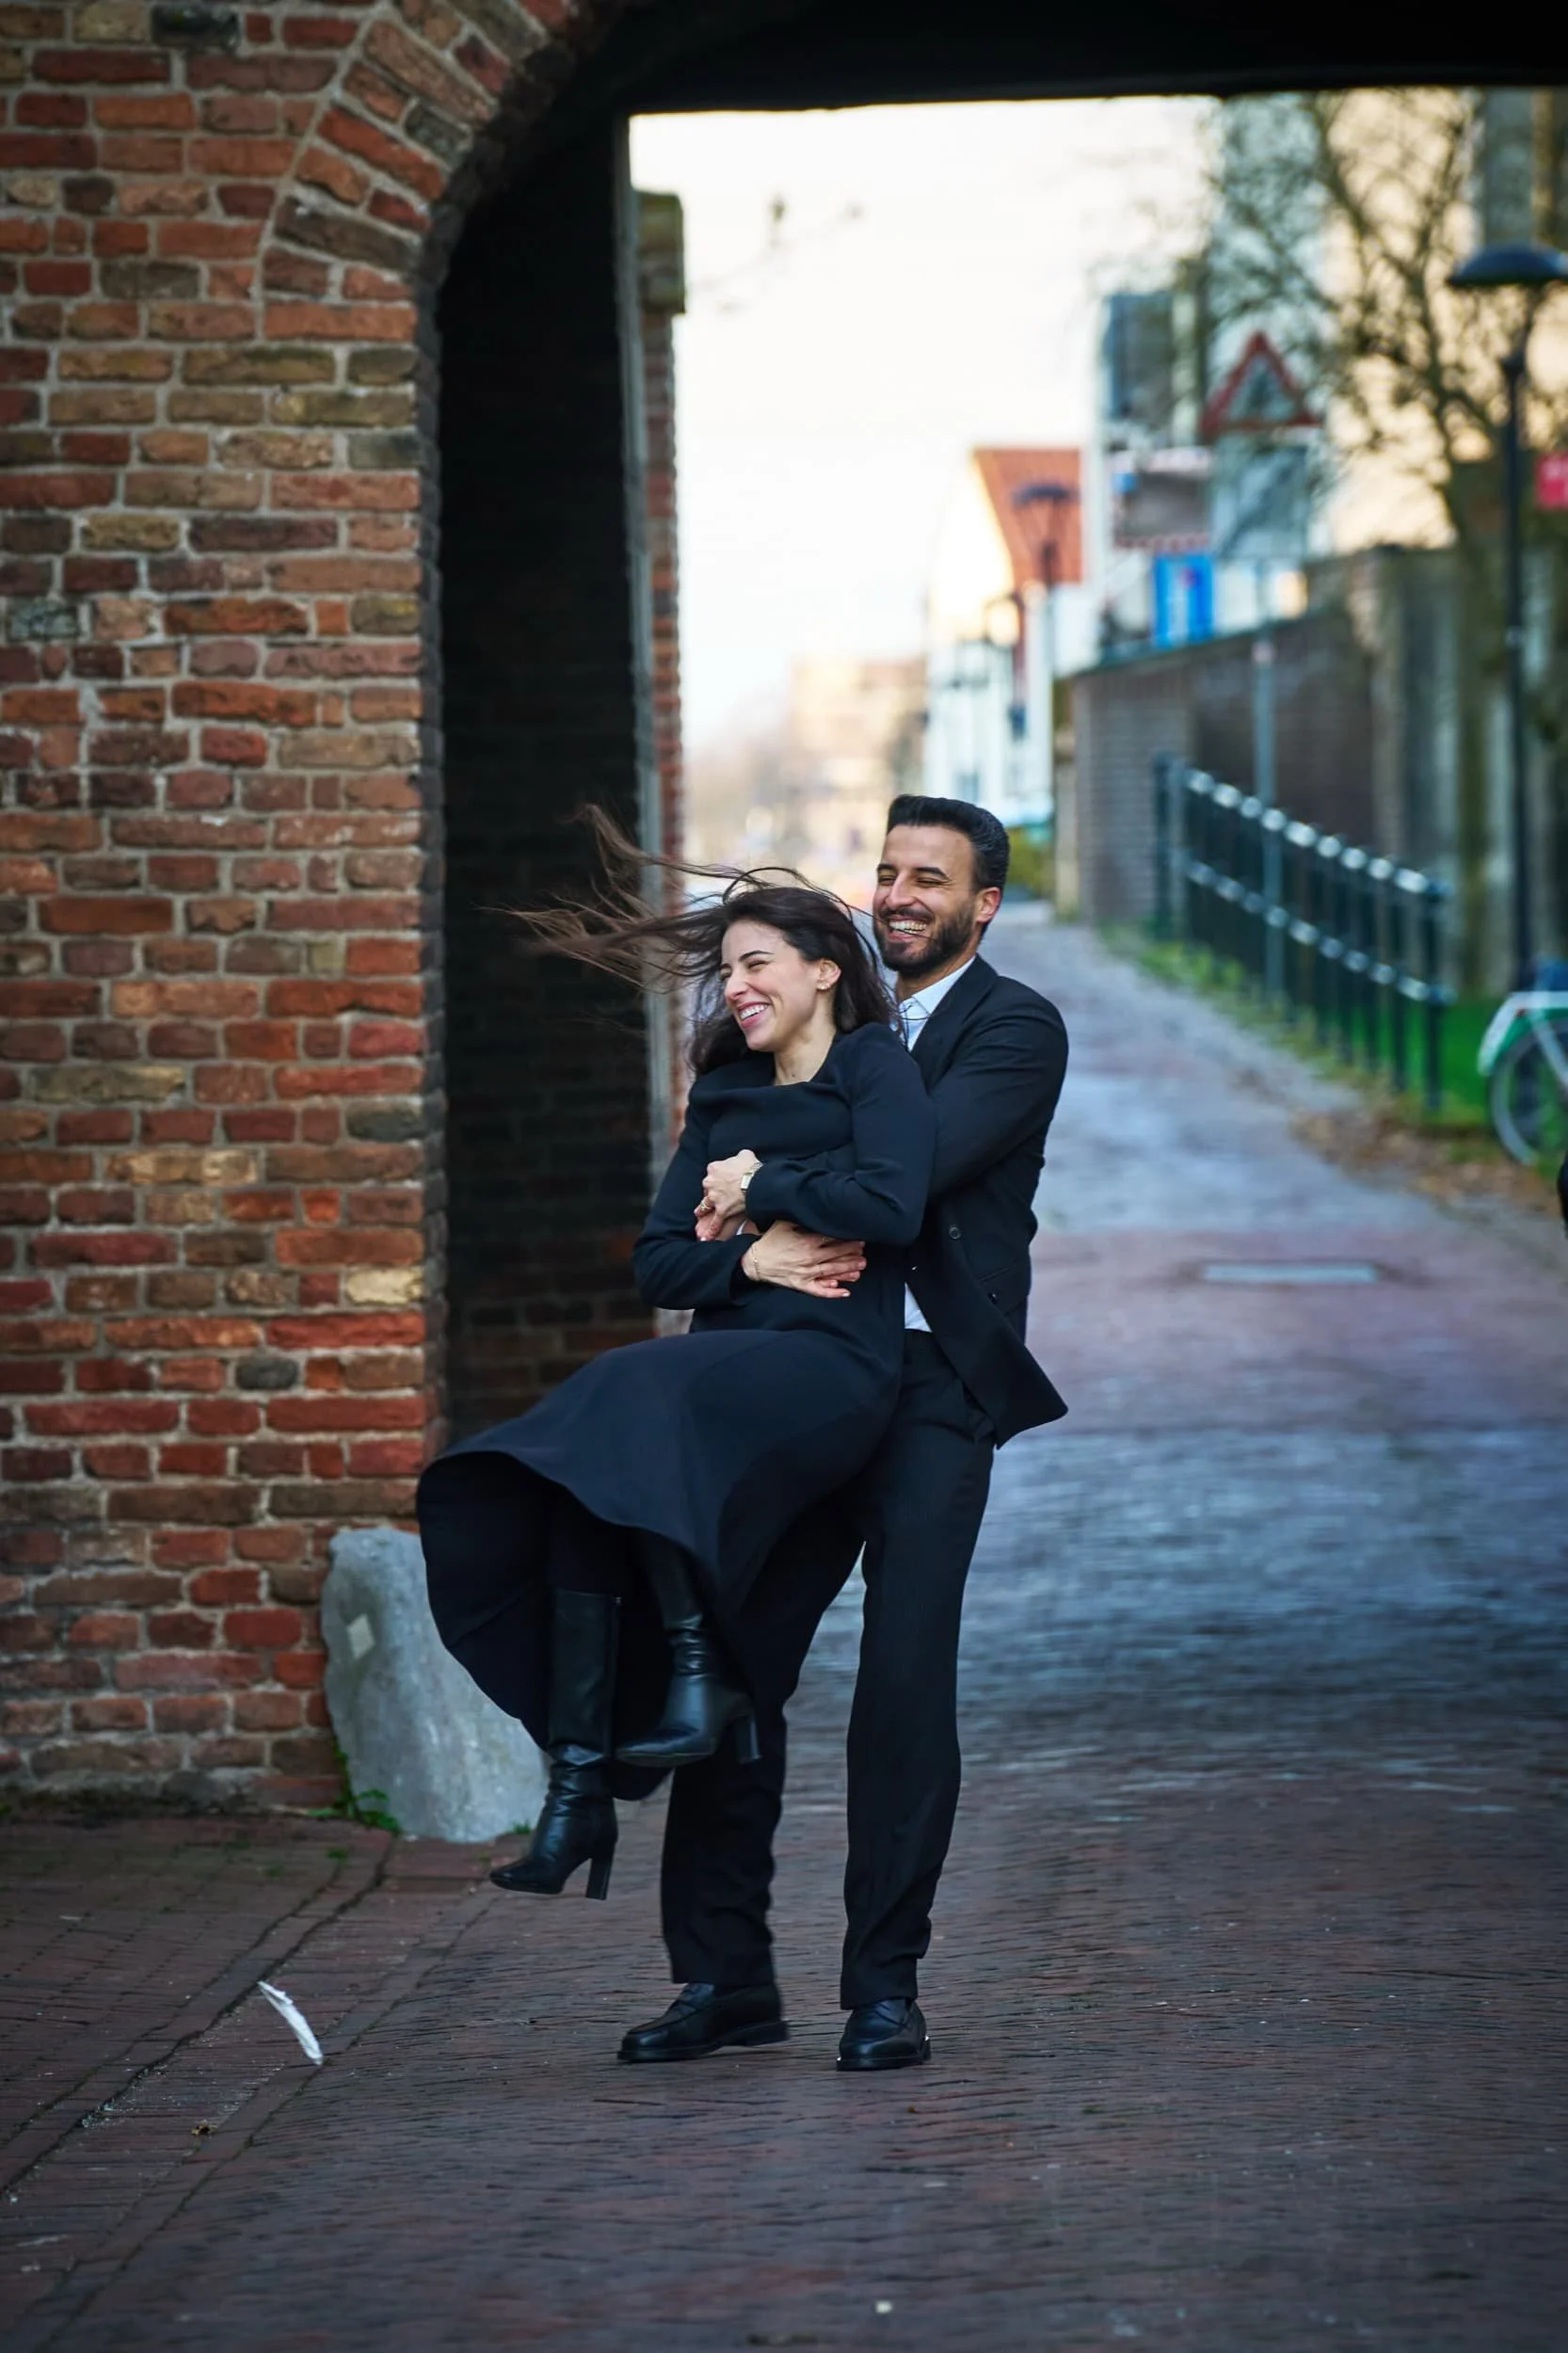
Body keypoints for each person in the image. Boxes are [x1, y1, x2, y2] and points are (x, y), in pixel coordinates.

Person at [621, 794, 1068, 2073]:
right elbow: (677, 1239)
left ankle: (883, 1986)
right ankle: (722, 1977)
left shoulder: (1013, 1030)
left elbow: (908, 1179)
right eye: (884, 873)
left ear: (982, 903)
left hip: (931, 1388)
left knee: (902, 1684)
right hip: (796, 1381)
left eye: (929, 878)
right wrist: (758, 1243)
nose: (899, 896)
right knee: (733, 1670)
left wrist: (763, 1186)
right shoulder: (791, 1038)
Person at [417, 825, 935, 1913]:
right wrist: (753, 1250)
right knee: (579, 1476)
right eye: (728, 970)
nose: (737, 987)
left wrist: (758, 1188)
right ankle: (578, 1781)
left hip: (832, 1368)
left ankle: (683, 1687)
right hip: (721, 1378)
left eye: (757, 964)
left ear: (824, 967)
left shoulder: (872, 1068)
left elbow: (891, 1204)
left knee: (621, 1393)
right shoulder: (722, 1095)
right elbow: (659, 1260)